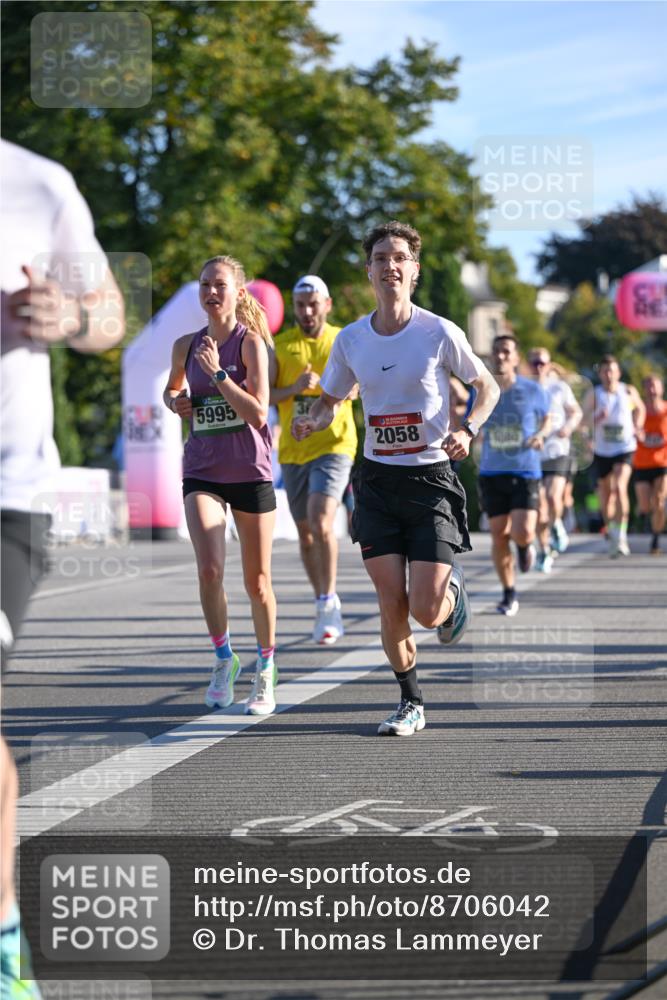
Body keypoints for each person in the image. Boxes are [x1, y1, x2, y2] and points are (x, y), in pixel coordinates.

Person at [1, 139, 125, 999]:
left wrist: (71, 319)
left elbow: (109, 313)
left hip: (5, 490)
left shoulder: (37, 184)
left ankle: (4, 938)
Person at [292, 221, 499, 736]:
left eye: (400, 257)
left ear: (414, 270)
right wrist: (310, 420)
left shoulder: (438, 332)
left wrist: (468, 429)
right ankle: (410, 701)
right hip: (379, 482)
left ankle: (452, 595)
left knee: (427, 611)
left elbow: (487, 385)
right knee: (391, 600)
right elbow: (331, 400)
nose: (390, 265)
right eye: (381, 257)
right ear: (369, 272)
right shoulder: (353, 340)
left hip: (430, 479)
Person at [164, 255, 278, 716]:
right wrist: (177, 402)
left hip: (250, 469)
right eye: (205, 284)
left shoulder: (250, 346)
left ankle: (266, 668)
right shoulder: (184, 346)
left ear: (238, 292)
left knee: (257, 581)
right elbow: (172, 390)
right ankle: (223, 658)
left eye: (220, 285)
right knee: (209, 570)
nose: (212, 292)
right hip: (203, 468)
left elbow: (257, 412)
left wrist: (216, 376)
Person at [269, 275, 357, 644]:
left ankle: (329, 600)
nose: (306, 311)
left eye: (313, 304)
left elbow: (357, 387)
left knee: (323, 520)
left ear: (327, 304)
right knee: (306, 534)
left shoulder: (343, 340)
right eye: (300, 305)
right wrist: (294, 389)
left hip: (335, 445)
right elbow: (267, 395)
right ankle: (321, 597)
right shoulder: (280, 345)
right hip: (293, 451)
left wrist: (326, 388)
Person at [478, 334, 552, 616]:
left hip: (524, 470)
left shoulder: (533, 390)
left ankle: (524, 547)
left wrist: (542, 435)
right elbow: (471, 417)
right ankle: (509, 593)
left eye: (506, 351)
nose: (500, 356)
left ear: (516, 358)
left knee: (522, 531)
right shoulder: (483, 389)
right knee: (499, 535)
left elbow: (548, 417)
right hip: (491, 470)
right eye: (496, 351)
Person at [582, 355, 645, 557]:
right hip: (602, 450)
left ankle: (622, 537)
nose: (609, 375)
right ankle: (611, 530)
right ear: (600, 374)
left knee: (619, 487)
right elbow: (582, 420)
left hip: (624, 447)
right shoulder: (595, 394)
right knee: (606, 497)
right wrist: (595, 420)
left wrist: (637, 426)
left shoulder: (627, 391)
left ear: (618, 373)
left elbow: (640, 409)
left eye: (612, 371)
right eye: (604, 371)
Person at [528, 348, 582, 571]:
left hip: (558, 450)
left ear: (549, 365)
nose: (538, 367)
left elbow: (576, 412)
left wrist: (568, 428)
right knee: (539, 508)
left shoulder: (559, 387)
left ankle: (558, 524)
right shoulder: (524, 388)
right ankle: (543, 550)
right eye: (534, 363)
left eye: (542, 363)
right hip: (533, 454)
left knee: (552, 498)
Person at [633, 374, 667, 555]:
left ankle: (655, 539)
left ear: (661, 389)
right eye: (648, 386)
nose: (652, 390)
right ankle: (648, 516)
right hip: (642, 463)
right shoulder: (639, 411)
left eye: (655, 386)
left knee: (660, 501)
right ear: (644, 390)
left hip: (663, 462)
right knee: (646, 505)